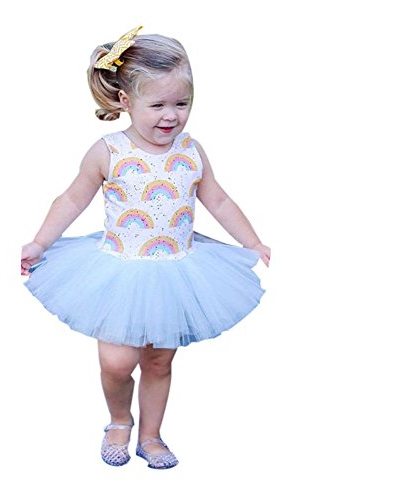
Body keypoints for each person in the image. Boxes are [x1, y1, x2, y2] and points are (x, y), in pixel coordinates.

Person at [20, 26, 271, 470]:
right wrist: (41, 241)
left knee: (158, 362)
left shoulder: (191, 151)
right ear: (125, 101)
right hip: (119, 272)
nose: (171, 116)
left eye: (182, 103)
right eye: (157, 105)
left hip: (175, 273)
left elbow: (218, 200)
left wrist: (253, 242)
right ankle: (119, 420)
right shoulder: (108, 151)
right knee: (117, 362)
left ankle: (151, 436)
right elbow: (72, 199)